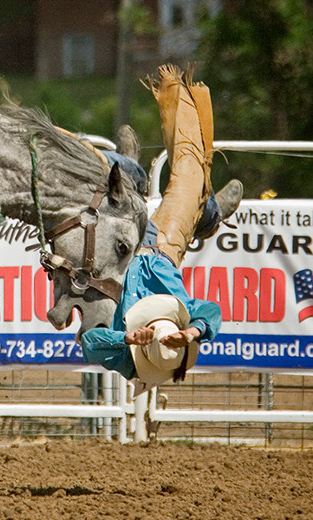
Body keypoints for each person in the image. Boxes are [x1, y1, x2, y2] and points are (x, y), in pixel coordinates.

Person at [80, 65, 242, 395]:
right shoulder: (184, 320)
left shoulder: (126, 357)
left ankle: (137, 171)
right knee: (190, 173)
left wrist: (126, 337)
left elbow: (90, 344)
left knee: (100, 169)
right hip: (162, 248)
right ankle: (209, 214)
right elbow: (211, 312)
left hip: (119, 248)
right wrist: (193, 332)